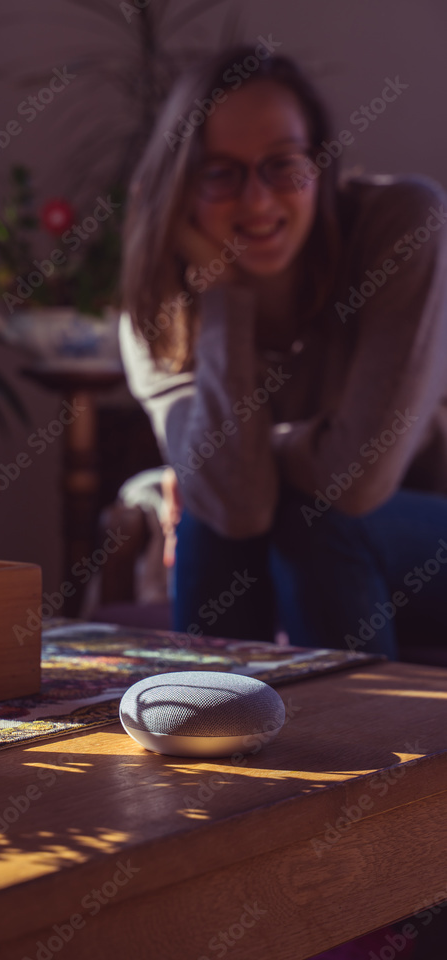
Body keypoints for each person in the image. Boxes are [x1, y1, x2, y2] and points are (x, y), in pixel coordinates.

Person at [119, 45, 447, 660]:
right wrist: (223, 298)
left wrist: (247, 454)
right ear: (180, 186)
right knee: (211, 517)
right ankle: (211, 732)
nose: (259, 201)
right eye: (220, 172)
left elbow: (355, 480)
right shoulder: (160, 308)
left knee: (316, 518)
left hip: (428, 527)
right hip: (300, 536)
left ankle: (362, 749)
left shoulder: (401, 225)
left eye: (283, 164)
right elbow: (237, 506)